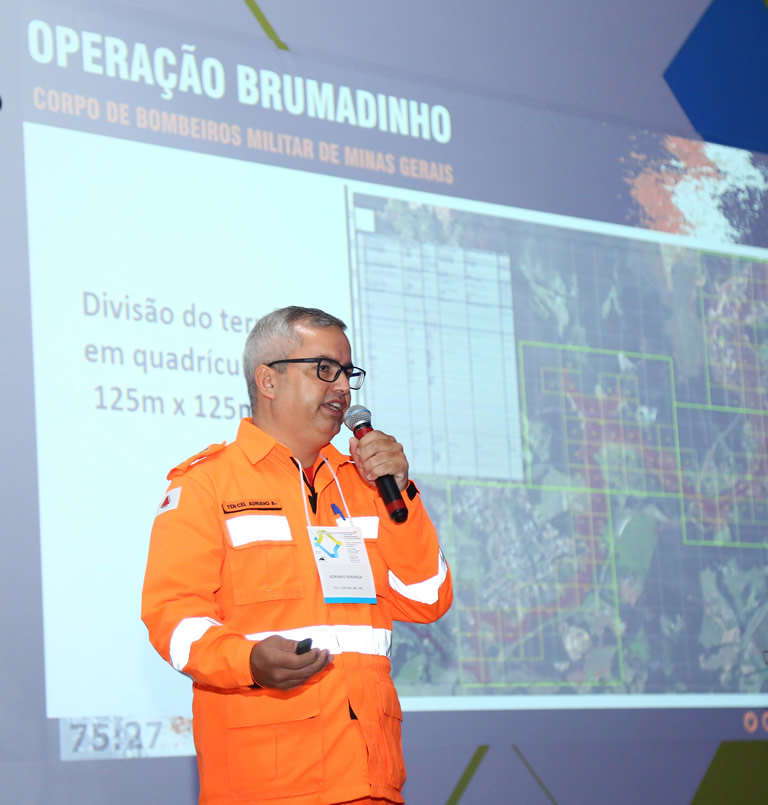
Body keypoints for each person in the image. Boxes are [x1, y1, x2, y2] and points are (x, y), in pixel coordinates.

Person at [142, 306, 452, 805]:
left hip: (371, 778)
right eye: (324, 370)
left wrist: (403, 490)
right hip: (267, 783)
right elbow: (173, 619)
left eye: (348, 373)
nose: (343, 389)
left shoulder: (365, 482)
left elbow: (428, 597)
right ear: (268, 380)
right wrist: (247, 661)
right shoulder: (207, 484)